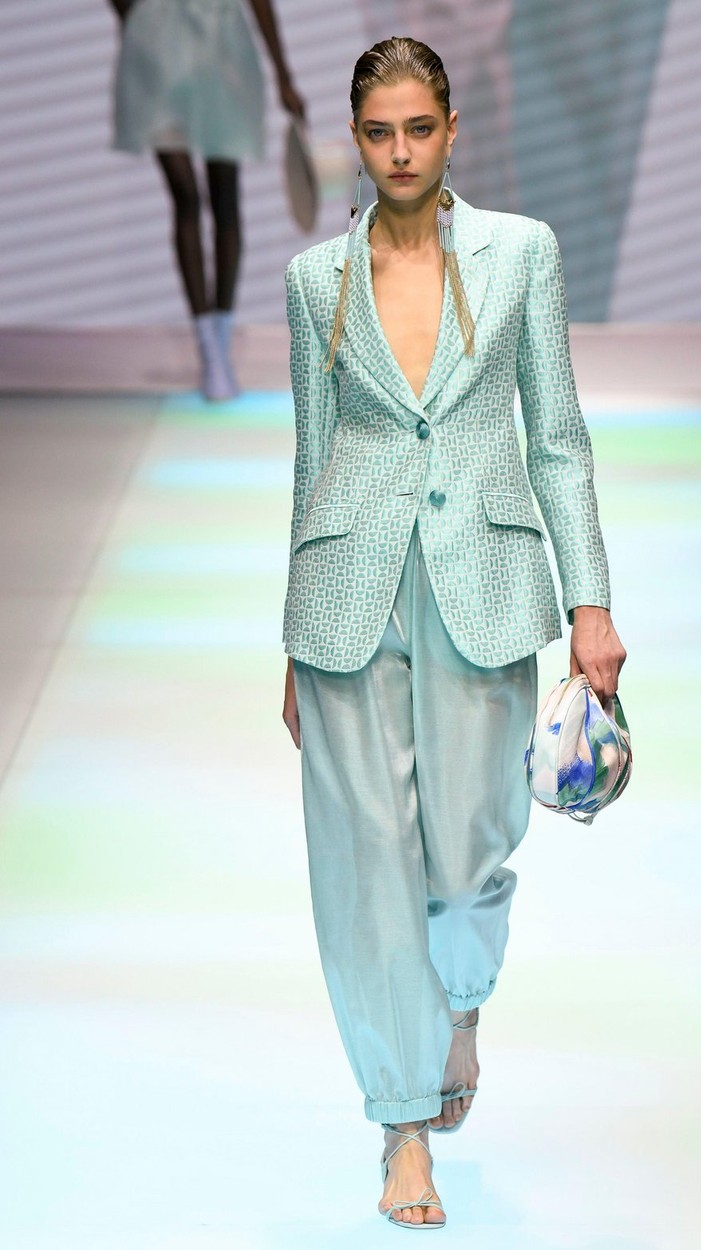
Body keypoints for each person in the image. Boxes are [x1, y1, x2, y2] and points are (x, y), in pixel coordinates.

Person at [281, 37, 625, 1229]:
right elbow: (311, 460)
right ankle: (401, 1122)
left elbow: (557, 438)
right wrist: (291, 637)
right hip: (348, 596)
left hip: (483, 578)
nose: (399, 153)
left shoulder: (519, 253)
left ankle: (459, 999)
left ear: (451, 128)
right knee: (366, 862)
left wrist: (589, 600)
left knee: (470, 850)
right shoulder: (313, 279)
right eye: (378, 133)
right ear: (355, 138)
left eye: (417, 129)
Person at [108, 0, 305, 400]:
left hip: (221, 49)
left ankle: (220, 337)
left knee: (224, 198)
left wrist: (284, 75)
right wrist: (134, 23)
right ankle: (208, 345)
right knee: (186, 195)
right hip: (159, 50)